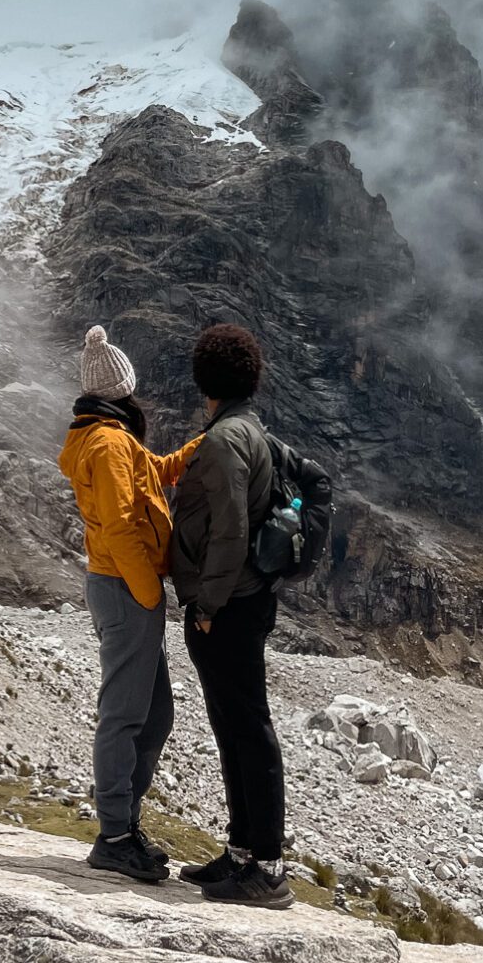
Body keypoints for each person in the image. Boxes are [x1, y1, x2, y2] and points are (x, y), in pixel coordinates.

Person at [58, 324, 200, 884]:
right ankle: (115, 836)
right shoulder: (110, 442)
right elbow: (120, 525)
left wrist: (195, 450)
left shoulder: (106, 438)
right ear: (122, 386)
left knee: (154, 712)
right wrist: (148, 593)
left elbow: (151, 475)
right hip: (125, 588)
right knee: (124, 715)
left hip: (120, 587)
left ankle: (124, 826)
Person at [170, 322, 292, 909]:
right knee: (233, 722)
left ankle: (265, 868)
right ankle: (242, 852)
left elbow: (229, 533)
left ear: (205, 379)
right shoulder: (252, 431)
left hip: (229, 605)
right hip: (248, 599)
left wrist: (209, 605)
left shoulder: (222, 441)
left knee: (245, 724)